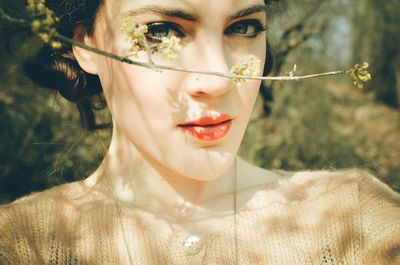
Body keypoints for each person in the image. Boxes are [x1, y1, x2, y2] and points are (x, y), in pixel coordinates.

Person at [1, 0, 399, 264]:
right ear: (85, 46)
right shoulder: (23, 244)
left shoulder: (355, 221)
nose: (218, 80)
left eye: (243, 27)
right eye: (161, 30)